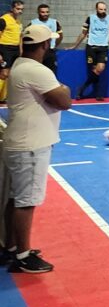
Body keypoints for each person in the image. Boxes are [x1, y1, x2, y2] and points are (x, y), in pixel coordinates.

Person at [2, 25, 71, 273]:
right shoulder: (38, 71)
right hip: (31, 145)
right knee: (26, 201)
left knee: (15, 197)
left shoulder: (20, 65)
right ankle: (22, 256)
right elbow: (65, 101)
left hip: (18, 142)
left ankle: (10, 247)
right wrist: (65, 89)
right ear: (44, 45)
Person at [68, 2, 109, 101]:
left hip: (103, 47)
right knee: (94, 71)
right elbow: (83, 33)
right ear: (96, 9)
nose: (103, 11)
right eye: (101, 9)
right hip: (91, 47)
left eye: (105, 9)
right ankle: (98, 94)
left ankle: (82, 88)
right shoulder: (90, 18)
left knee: (99, 69)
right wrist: (75, 45)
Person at [25, 5, 62, 75]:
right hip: (36, 52)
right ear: (38, 12)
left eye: (47, 12)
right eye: (43, 12)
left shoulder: (54, 22)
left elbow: (60, 35)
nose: (45, 14)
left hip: (50, 51)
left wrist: (54, 45)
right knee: (37, 73)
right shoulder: (32, 23)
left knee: (51, 73)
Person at [0, 0, 24, 101]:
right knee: (3, 73)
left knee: (10, 74)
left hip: (15, 50)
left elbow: (20, 38)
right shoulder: (3, 20)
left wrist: (21, 51)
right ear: (12, 8)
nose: (20, 11)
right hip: (5, 48)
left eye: (22, 9)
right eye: (18, 9)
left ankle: (2, 98)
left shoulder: (18, 22)